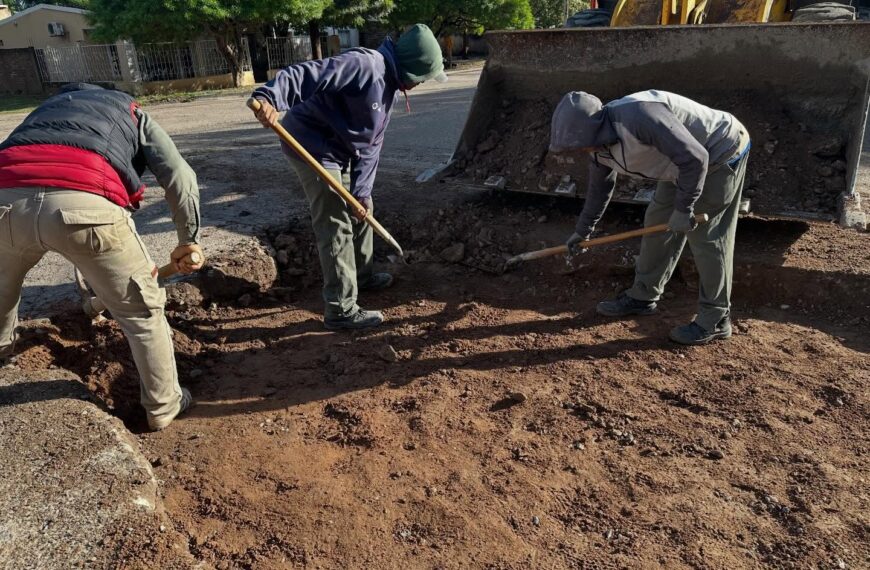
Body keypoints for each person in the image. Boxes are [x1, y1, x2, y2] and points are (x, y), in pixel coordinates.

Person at [0, 83, 204, 430]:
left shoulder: (45, 110)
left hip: (4, 201)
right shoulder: (131, 111)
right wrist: (189, 240)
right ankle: (163, 405)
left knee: (2, 289)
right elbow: (180, 176)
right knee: (142, 311)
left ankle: (4, 358)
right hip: (86, 204)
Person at [250, 24, 447, 331]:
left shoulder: (389, 86)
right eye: (423, 78)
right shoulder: (365, 64)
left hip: (340, 151)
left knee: (362, 210)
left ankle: (363, 276)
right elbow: (306, 74)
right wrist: (270, 97)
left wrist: (363, 193)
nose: (421, 85)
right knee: (335, 221)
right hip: (310, 145)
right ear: (412, 70)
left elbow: (371, 146)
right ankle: (341, 309)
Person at [550, 90, 751, 345]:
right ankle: (644, 295)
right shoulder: (597, 145)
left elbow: (696, 158)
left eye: (580, 143)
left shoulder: (638, 118)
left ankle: (716, 318)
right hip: (680, 164)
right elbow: (599, 189)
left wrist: (684, 209)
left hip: (719, 151)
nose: (580, 150)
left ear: (593, 128)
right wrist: (583, 230)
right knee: (657, 223)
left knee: (707, 237)